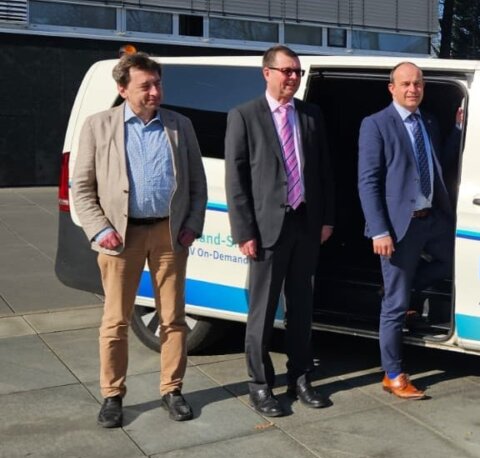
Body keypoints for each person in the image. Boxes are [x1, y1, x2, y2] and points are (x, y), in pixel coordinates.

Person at [72, 51, 207, 428]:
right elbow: (81, 186)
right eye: (145, 86)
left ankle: (172, 389)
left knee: (173, 319)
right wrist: (100, 229)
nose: (154, 92)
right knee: (115, 321)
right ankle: (112, 395)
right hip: (120, 237)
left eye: (157, 84)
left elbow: (197, 183)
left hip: (169, 235)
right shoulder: (99, 126)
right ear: (123, 89)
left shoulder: (179, 125)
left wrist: (192, 225)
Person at [224, 45, 334, 417]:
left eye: (297, 72)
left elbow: (323, 171)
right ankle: (260, 384)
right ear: (267, 72)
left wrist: (327, 218)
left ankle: (301, 377)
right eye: (286, 70)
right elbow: (236, 180)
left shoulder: (310, 114)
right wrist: (244, 232)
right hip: (267, 229)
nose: (293, 78)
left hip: (306, 224)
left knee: (301, 308)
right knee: (263, 310)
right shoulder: (244, 116)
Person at [358, 61, 456, 399]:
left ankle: (403, 287)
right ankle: (393, 374)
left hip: (432, 219)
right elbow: (368, 182)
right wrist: (379, 231)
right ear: (392, 88)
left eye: (418, 83)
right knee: (396, 305)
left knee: (454, 263)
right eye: (405, 84)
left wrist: (458, 129)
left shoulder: (428, 122)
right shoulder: (376, 124)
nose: (413, 89)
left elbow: (439, 162)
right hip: (399, 227)